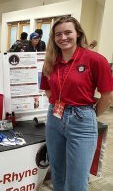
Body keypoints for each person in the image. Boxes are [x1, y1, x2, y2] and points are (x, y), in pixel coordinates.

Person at [40, 16, 113, 191]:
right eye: (58, 34)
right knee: (58, 171)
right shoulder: (50, 61)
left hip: (82, 119)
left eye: (67, 32)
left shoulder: (95, 60)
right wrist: (57, 105)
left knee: (77, 179)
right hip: (55, 119)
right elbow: (47, 89)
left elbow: (107, 96)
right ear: (53, 38)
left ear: (78, 33)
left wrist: (89, 115)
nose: (63, 37)